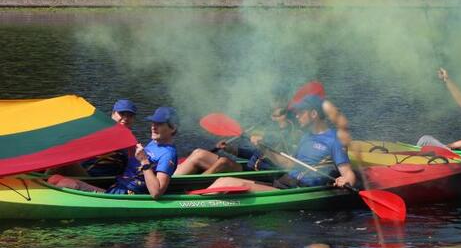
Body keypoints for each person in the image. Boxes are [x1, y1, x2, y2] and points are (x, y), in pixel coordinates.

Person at [205, 95, 356, 191]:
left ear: (314, 114)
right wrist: (264, 149)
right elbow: (289, 165)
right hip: (286, 183)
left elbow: (348, 174)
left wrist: (345, 180)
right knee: (223, 181)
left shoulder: (334, 140)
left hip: (300, 189)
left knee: (228, 182)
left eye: (300, 112)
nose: (296, 116)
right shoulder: (307, 137)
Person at [49, 107, 179, 198]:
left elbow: (156, 193)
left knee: (64, 183)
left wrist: (144, 161)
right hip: (115, 187)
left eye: (159, 124)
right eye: (153, 123)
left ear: (173, 128)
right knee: (54, 178)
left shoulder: (168, 154)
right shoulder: (154, 143)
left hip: (128, 196)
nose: (153, 127)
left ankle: (43, 198)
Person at [174, 102, 298, 175]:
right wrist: (230, 149)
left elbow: (286, 162)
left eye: (281, 114)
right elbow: (253, 154)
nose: (277, 119)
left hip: (258, 173)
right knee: (199, 153)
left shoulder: (293, 134)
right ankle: (172, 177)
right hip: (249, 167)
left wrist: (262, 144)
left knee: (223, 162)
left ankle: (191, 185)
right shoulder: (270, 132)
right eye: (274, 116)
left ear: (288, 115)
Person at [49, 99, 138, 177]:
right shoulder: (99, 132)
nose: (126, 118)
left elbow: (132, 166)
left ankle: (42, 181)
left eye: (130, 116)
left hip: (96, 179)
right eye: (122, 114)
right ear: (113, 114)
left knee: (65, 161)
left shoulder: (131, 142)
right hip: (85, 170)